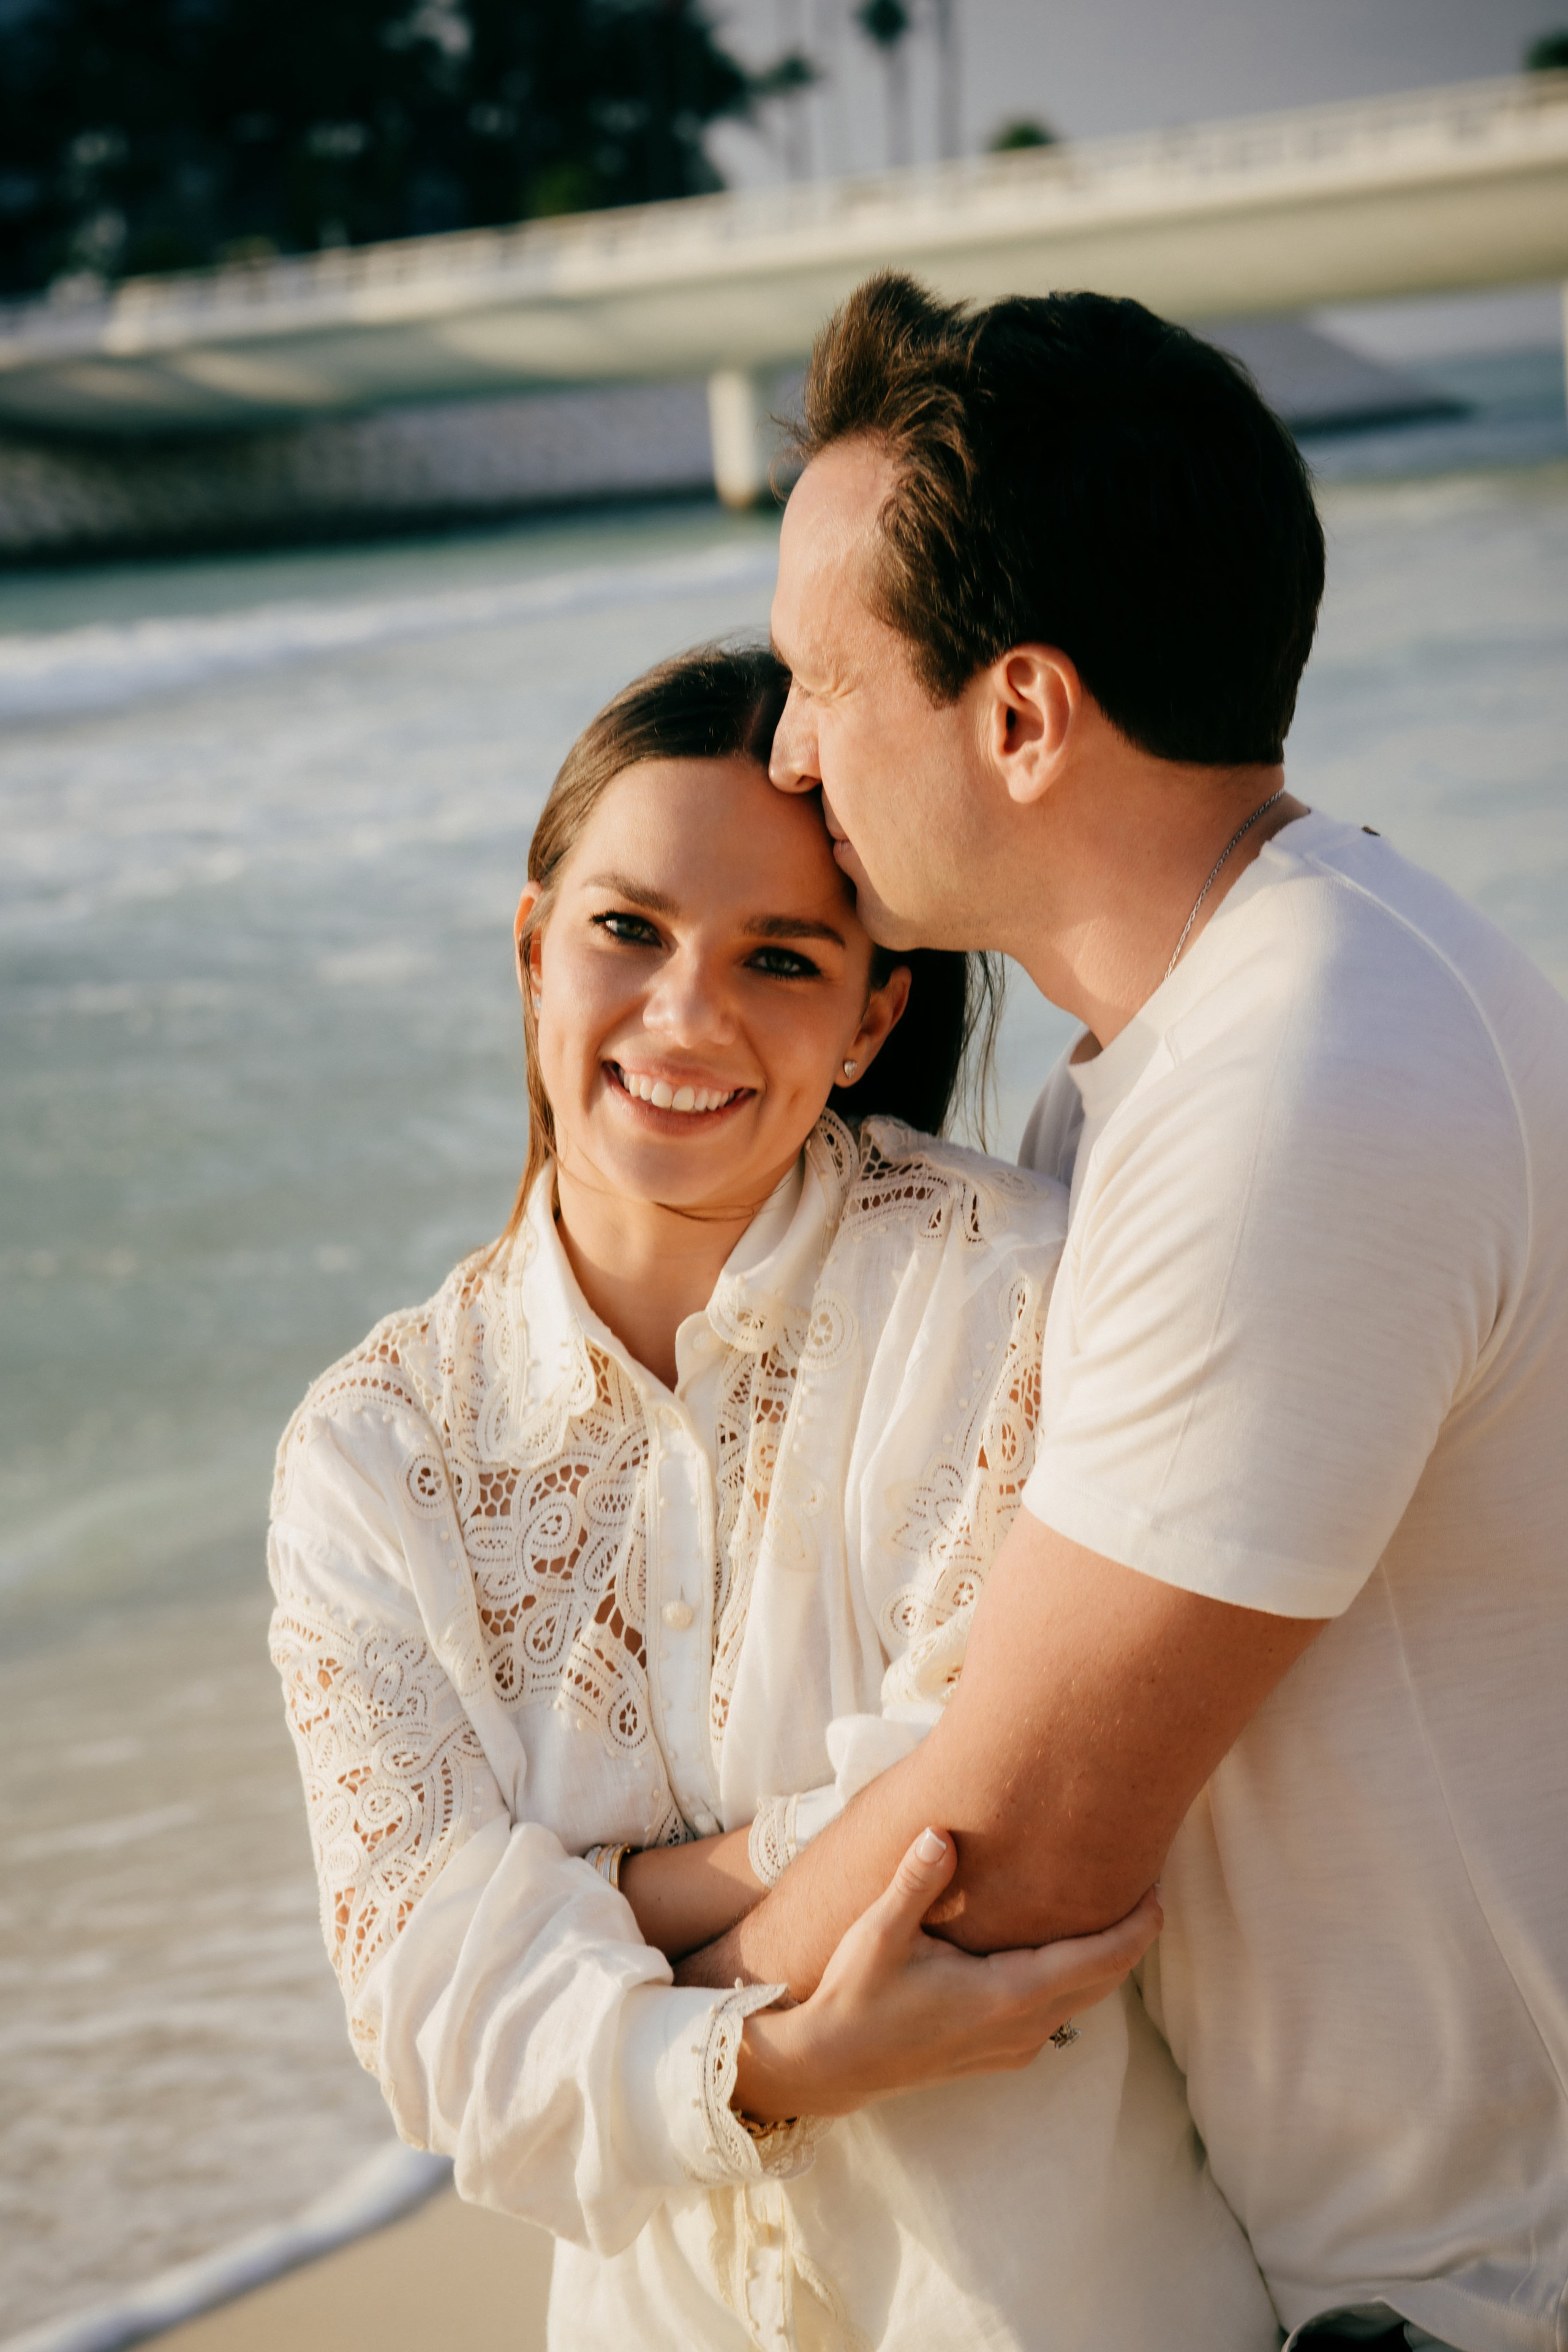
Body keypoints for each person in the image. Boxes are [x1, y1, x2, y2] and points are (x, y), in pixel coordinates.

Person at [675, 275, 1568, 2352]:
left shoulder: (1306, 1082)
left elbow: (1013, 1861)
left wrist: (615, 1982)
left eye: (824, 678)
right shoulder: (1197, 1050)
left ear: (1021, 715)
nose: (790, 753)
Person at [268, 644, 1278, 2352]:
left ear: (873, 1010)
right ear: (531, 951)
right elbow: (436, 2016)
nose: (687, 1015)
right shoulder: (373, 1454)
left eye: (782, 957)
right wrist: (781, 2056)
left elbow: (996, 1817)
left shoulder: (1014, 1299)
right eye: (626, 931)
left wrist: (610, 1900)